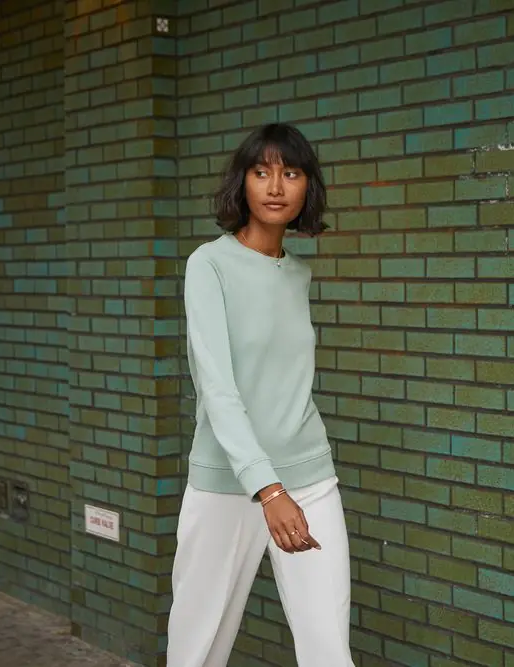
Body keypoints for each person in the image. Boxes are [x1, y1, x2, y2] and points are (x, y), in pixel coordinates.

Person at [166, 123, 354, 667]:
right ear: (242, 183)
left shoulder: (298, 274)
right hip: (229, 482)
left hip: (310, 477)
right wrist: (268, 489)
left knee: (328, 647)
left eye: (290, 173)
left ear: (307, 186)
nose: (275, 186)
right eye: (261, 172)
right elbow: (217, 388)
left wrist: (286, 485)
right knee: (198, 648)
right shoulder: (209, 265)